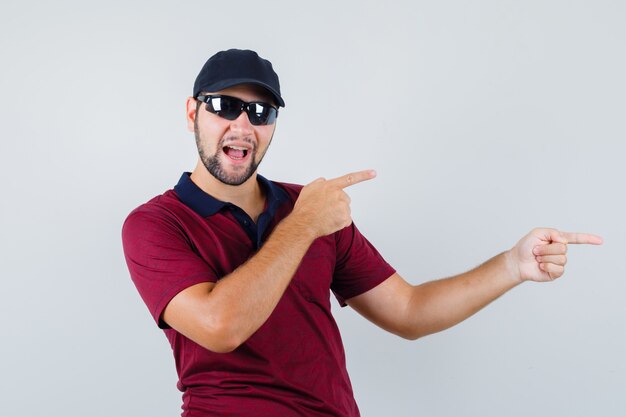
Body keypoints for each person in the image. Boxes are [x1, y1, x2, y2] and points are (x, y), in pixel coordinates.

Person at [121, 48, 603, 417]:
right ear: (192, 113)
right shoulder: (156, 224)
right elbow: (219, 326)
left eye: (261, 113)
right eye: (225, 106)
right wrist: (305, 224)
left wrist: (511, 265)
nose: (243, 125)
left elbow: (409, 312)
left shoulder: (311, 207)